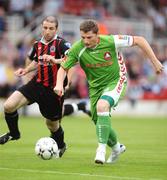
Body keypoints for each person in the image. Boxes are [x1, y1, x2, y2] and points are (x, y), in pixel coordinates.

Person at [53, 19, 164, 164]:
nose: (85, 41)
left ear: (97, 35)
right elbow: (63, 68)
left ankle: (101, 149)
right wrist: (59, 84)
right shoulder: (77, 48)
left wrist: (155, 62)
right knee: (98, 120)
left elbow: (140, 40)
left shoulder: (111, 41)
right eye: (83, 37)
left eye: (89, 37)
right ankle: (117, 148)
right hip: (95, 87)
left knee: (102, 106)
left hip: (117, 80)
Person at [0, 16, 90, 157]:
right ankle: (14, 133)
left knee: (52, 124)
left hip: (53, 90)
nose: (47, 31)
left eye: (51, 28)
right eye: (45, 28)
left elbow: (73, 60)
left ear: (56, 29)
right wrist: (26, 70)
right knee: (8, 106)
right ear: (42, 28)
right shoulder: (38, 44)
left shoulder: (62, 44)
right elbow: (37, 61)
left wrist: (67, 80)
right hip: (37, 84)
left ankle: (61, 145)